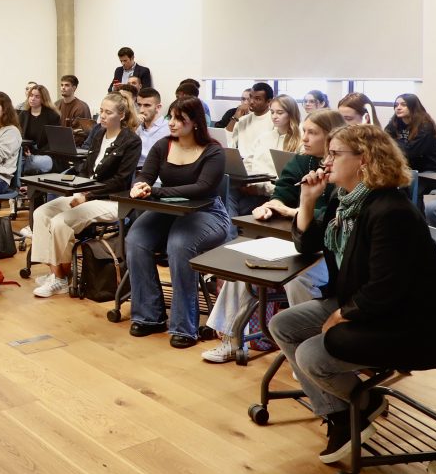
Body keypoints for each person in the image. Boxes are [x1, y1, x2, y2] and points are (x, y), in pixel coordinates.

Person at [268, 124, 436, 463]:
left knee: (312, 355)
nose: (326, 161)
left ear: (364, 160)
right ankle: (349, 409)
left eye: (335, 154)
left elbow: (387, 287)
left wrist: (341, 315)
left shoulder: (390, 211)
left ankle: (351, 409)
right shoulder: (346, 203)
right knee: (283, 325)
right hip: (365, 305)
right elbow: (307, 245)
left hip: (406, 320)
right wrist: (307, 201)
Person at [201, 108, 346, 363]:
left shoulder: (344, 172)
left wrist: (293, 210)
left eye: (312, 133)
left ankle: (305, 351)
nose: (305, 139)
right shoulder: (304, 161)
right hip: (297, 244)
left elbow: (329, 215)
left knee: (297, 279)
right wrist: (272, 205)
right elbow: (284, 189)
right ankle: (231, 339)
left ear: (331, 136)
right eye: (304, 132)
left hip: (326, 255)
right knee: (241, 267)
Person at [126, 97, 231, 348]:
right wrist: (139, 186)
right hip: (169, 211)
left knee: (179, 244)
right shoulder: (163, 146)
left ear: (195, 123)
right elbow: (146, 175)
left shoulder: (213, 151)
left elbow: (201, 188)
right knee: (136, 239)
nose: (171, 124)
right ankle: (149, 316)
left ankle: (185, 326)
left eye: (179, 119)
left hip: (207, 214)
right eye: (170, 118)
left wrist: (156, 192)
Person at [31, 93, 142, 298]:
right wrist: (73, 184)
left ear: (121, 115)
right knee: (41, 213)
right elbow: (86, 169)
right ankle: (57, 273)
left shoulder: (131, 141)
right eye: (101, 110)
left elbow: (120, 181)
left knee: (60, 222)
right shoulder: (99, 134)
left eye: (108, 112)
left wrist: (87, 196)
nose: (102, 116)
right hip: (87, 194)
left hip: (111, 200)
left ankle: (59, 278)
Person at [228, 94, 304, 222]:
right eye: (272, 112)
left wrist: (260, 188)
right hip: (254, 187)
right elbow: (248, 162)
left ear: (291, 114)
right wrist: (246, 181)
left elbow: (292, 183)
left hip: (273, 194)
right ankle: (230, 229)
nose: (274, 116)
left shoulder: (300, 140)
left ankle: (229, 230)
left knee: (240, 208)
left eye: (280, 113)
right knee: (227, 190)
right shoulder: (264, 137)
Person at [384, 93, 436, 173]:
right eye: (396, 105)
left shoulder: (425, 126)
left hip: (430, 170)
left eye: (403, 105)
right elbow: (383, 143)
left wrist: (391, 144)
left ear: (413, 107)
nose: (398, 108)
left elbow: (410, 153)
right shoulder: (394, 124)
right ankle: (363, 186)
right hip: (409, 168)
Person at [19, 84, 61, 175]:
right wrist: (26, 149)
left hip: (46, 154)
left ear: (43, 99)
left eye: (37, 97)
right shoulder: (23, 114)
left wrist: (36, 154)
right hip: (26, 154)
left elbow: (54, 142)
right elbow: (20, 137)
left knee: (36, 162)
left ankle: (22, 171)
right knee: (17, 160)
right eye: (31, 95)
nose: (32, 98)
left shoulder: (52, 116)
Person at [227, 81, 275, 158]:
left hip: (261, 164)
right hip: (241, 162)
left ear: (269, 101)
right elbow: (227, 144)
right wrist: (235, 116)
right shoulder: (242, 120)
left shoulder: (274, 121)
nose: (251, 101)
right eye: (251, 97)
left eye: (257, 99)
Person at [135, 87, 171, 167]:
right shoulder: (135, 127)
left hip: (157, 173)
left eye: (147, 105)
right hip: (134, 171)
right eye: (139, 105)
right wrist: (133, 127)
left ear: (158, 107)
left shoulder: (169, 128)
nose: (141, 110)